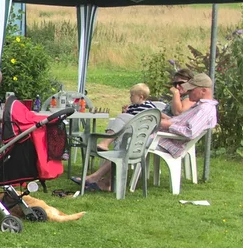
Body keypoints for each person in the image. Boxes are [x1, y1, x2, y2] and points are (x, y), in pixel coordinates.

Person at [80, 73, 217, 192]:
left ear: (203, 91)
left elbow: (189, 131)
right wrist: (165, 119)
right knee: (125, 122)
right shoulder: (200, 106)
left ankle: (100, 178)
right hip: (163, 135)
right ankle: (104, 179)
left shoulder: (205, 109)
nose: (189, 92)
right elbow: (180, 122)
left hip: (168, 141)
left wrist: (165, 124)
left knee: (129, 138)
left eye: (192, 90)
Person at [96, 83, 161, 151]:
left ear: (141, 97)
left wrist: (124, 115)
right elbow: (124, 121)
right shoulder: (131, 107)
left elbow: (152, 119)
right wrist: (124, 112)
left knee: (122, 117)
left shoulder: (149, 107)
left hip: (140, 130)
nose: (130, 98)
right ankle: (110, 156)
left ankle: (105, 142)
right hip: (129, 129)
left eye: (132, 96)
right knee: (118, 123)